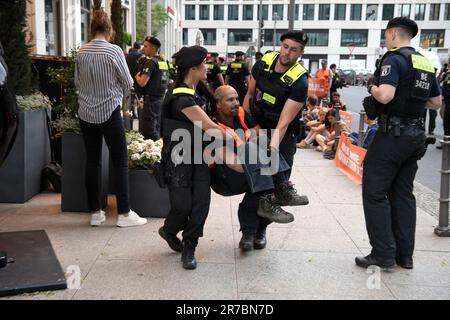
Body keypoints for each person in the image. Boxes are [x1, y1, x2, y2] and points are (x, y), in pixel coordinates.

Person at [357, 17, 441, 270]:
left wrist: (373, 87)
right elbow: (436, 102)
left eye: (386, 35)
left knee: (374, 191)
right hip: (415, 135)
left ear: (393, 34)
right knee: (403, 194)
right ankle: (404, 255)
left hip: (392, 135)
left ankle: (382, 253)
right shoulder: (424, 61)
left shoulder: (393, 58)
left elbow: (385, 94)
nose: (386, 39)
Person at [158, 46, 231, 270]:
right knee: (183, 205)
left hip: (198, 156)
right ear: (193, 68)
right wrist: (239, 140)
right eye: (204, 65)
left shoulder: (195, 92)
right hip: (179, 159)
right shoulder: (182, 99)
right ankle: (169, 230)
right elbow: (209, 127)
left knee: (200, 203)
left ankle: (189, 246)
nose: (207, 68)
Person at [74, 8, 147, 228]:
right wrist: (116, 96)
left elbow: (77, 83)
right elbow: (128, 83)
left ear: (92, 28)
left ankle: (95, 213)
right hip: (110, 112)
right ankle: (124, 214)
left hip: (86, 113)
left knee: (92, 162)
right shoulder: (114, 51)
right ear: (109, 29)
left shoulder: (81, 51)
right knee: (120, 161)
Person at [210, 86, 306, 251]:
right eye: (230, 100)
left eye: (237, 99)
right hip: (226, 178)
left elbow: (259, 132)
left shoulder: (240, 113)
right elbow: (232, 162)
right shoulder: (212, 126)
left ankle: (254, 232)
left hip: (247, 168)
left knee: (266, 149)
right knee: (263, 175)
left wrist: (263, 152)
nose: (236, 103)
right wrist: (258, 162)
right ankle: (278, 193)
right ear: (218, 104)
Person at [243, 30, 310, 217]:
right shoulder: (263, 63)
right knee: (258, 182)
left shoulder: (300, 82)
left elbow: (284, 122)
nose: (287, 53)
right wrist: (247, 125)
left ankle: (261, 230)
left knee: (276, 186)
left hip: (282, 133)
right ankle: (248, 231)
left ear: (301, 53)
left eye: (294, 50)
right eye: (285, 47)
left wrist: (272, 147)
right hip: (256, 125)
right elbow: (249, 96)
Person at [135, 36, 166, 141]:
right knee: (156, 127)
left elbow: (142, 82)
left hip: (150, 101)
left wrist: (137, 76)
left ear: (153, 48)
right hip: (160, 100)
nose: (143, 48)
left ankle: (153, 154)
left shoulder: (151, 62)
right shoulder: (163, 62)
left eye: (146, 46)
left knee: (148, 131)